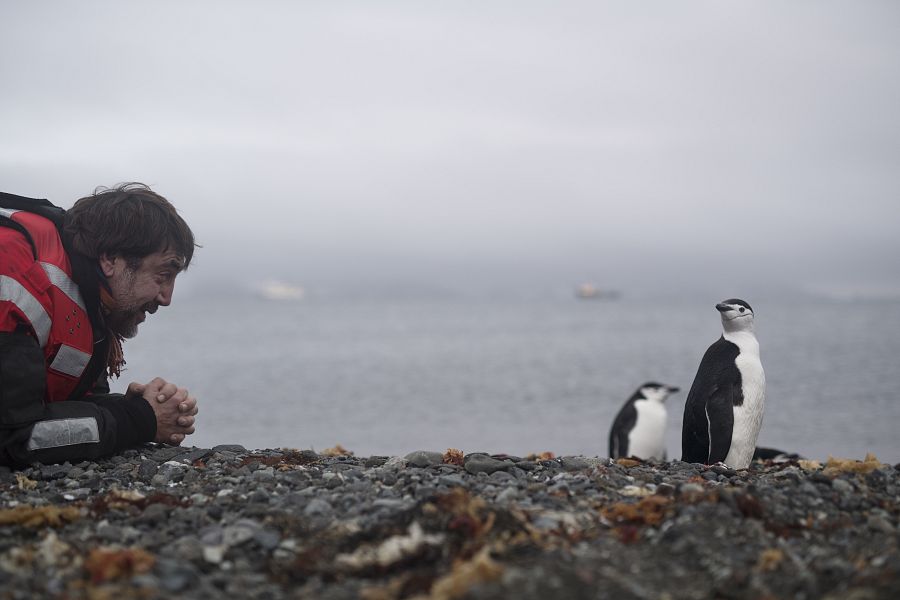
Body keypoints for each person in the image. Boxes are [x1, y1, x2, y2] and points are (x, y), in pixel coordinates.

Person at [0, 183, 199, 467]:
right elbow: (13, 437)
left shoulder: (87, 300)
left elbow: (69, 403)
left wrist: (133, 408)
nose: (166, 298)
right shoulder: (13, 277)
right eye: (163, 274)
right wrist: (139, 419)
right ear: (110, 259)